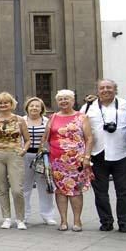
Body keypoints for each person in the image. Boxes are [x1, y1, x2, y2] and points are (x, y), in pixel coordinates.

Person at [80, 80, 126, 232]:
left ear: (115, 90)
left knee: (124, 191)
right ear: (97, 91)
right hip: (98, 154)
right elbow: (81, 130)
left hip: (122, 153)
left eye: (109, 88)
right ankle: (106, 221)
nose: (105, 90)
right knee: (100, 192)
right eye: (102, 88)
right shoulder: (88, 107)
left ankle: (124, 222)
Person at [45, 89, 94, 232]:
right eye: (60, 99)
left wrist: (87, 157)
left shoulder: (82, 117)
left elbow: (89, 138)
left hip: (76, 160)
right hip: (57, 160)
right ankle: (63, 221)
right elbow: (46, 138)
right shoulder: (53, 117)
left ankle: (77, 221)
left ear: (73, 100)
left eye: (67, 98)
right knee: (60, 191)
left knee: (75, 190)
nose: (64, 101)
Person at [0, 92, 31, 230]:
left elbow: (27, 139)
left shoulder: (19, 120)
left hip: (14, 154)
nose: (3, 105)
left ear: (12, 104)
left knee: (17, 189)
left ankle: (20, 218)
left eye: (6, 102)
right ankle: (6, 218)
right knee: (2, 188)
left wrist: (24, 150)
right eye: (0, 103)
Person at [21, 97, 59, 226]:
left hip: (42, 157)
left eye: (37, 106)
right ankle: (23, 215)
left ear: (42, 108)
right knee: (24, 187)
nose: (34, 108)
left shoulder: (47, 121)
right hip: (24, 156)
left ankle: (47, 215)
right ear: (27, 107)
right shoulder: (21, 121)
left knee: (45, 186)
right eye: (31, 106)